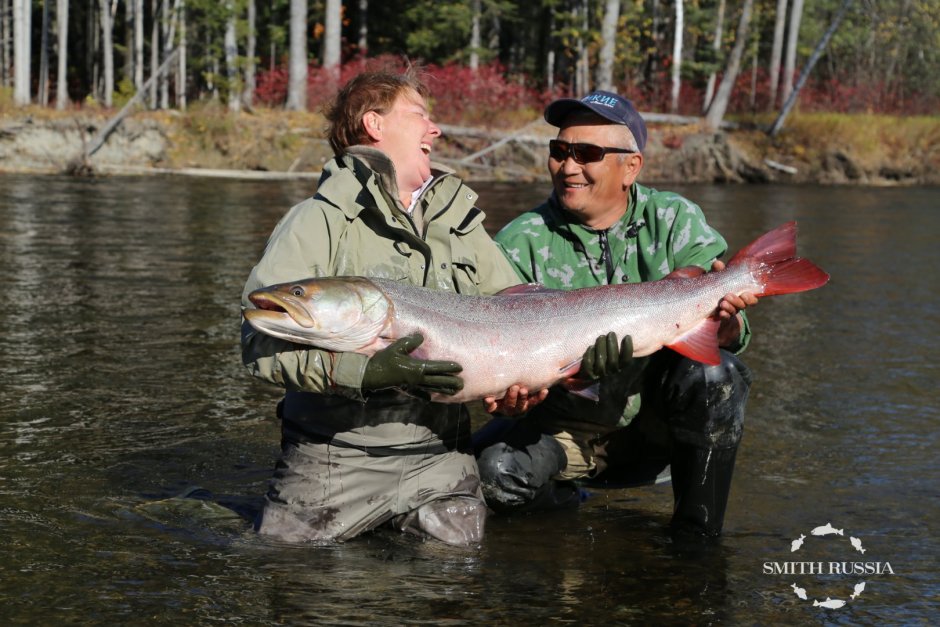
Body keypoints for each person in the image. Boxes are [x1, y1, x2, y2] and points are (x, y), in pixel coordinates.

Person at [240, 69, 544, 546]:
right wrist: (361, 374)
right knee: (296, 582)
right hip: (333, 460)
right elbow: (258, 344)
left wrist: (518, 394)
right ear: (374, 124)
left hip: (442, 459)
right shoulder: (316, 220)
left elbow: (522, 322)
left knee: (450, 594)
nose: (435, 129)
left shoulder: (461, 223)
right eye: (420, 115)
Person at [475, 90, 759, 537]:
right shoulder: (518, 241)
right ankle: (564, 502)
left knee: (717, 375)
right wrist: (513, 397)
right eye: (559, 151)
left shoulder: (674, 221)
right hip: (562, 431)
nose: (568, 167)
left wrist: (725, 323)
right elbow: (499, 360)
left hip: (655, 428)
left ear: (631, 167)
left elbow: (732, 335)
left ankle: (696, 541)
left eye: (586, 154)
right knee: (486, 477)